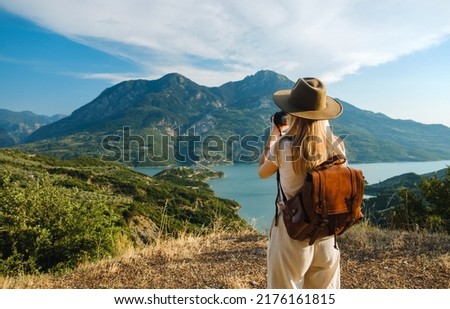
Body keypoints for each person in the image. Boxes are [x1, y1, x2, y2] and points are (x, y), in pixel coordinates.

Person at [258, 77, 346, 289]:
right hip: (326, 234)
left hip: (292, 233)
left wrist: (275, 132)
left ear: (292, 113)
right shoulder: (337, 147)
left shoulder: (284, 146)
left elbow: (262, 171)